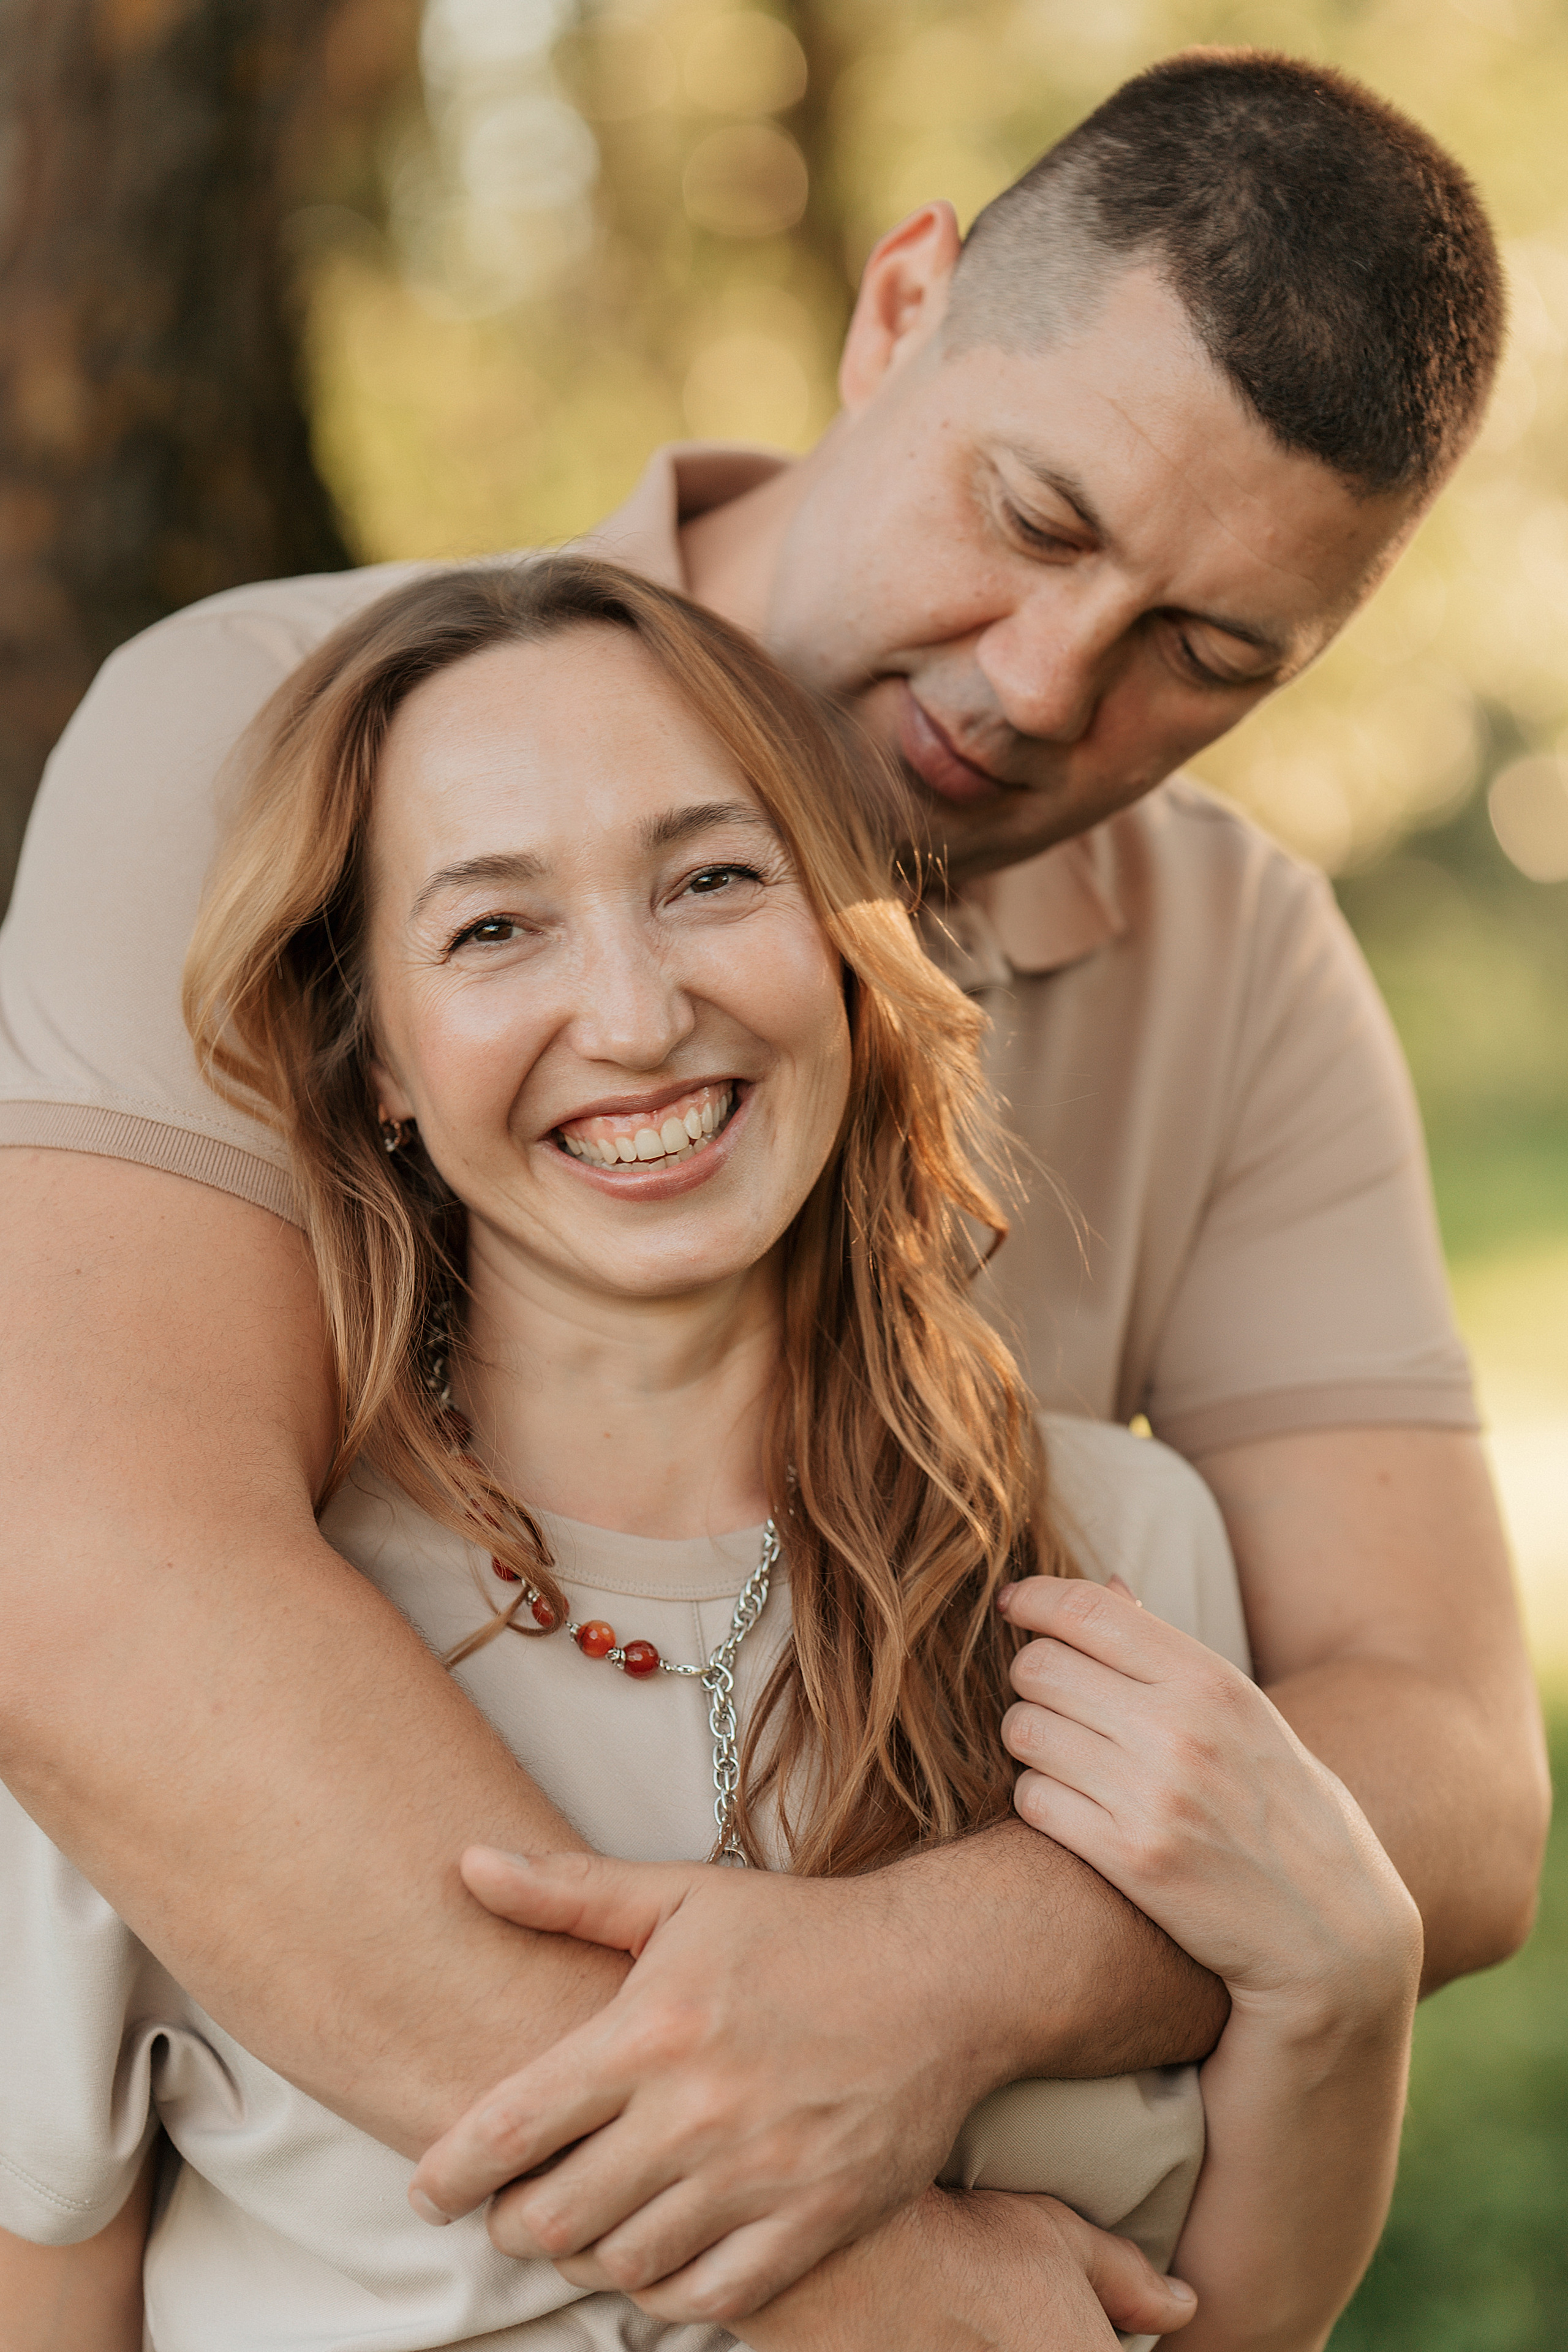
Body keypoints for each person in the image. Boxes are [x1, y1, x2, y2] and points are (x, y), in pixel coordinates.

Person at [0, 43, 1547, 2336]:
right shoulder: (260, 727)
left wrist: (932, 1980)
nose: (1045, 690)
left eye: (1206, 657)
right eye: (1031, 517)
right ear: (901, 299)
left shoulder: (1235, 959)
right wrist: (837, 2284)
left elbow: (1437, 1761)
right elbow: (85, 1568)